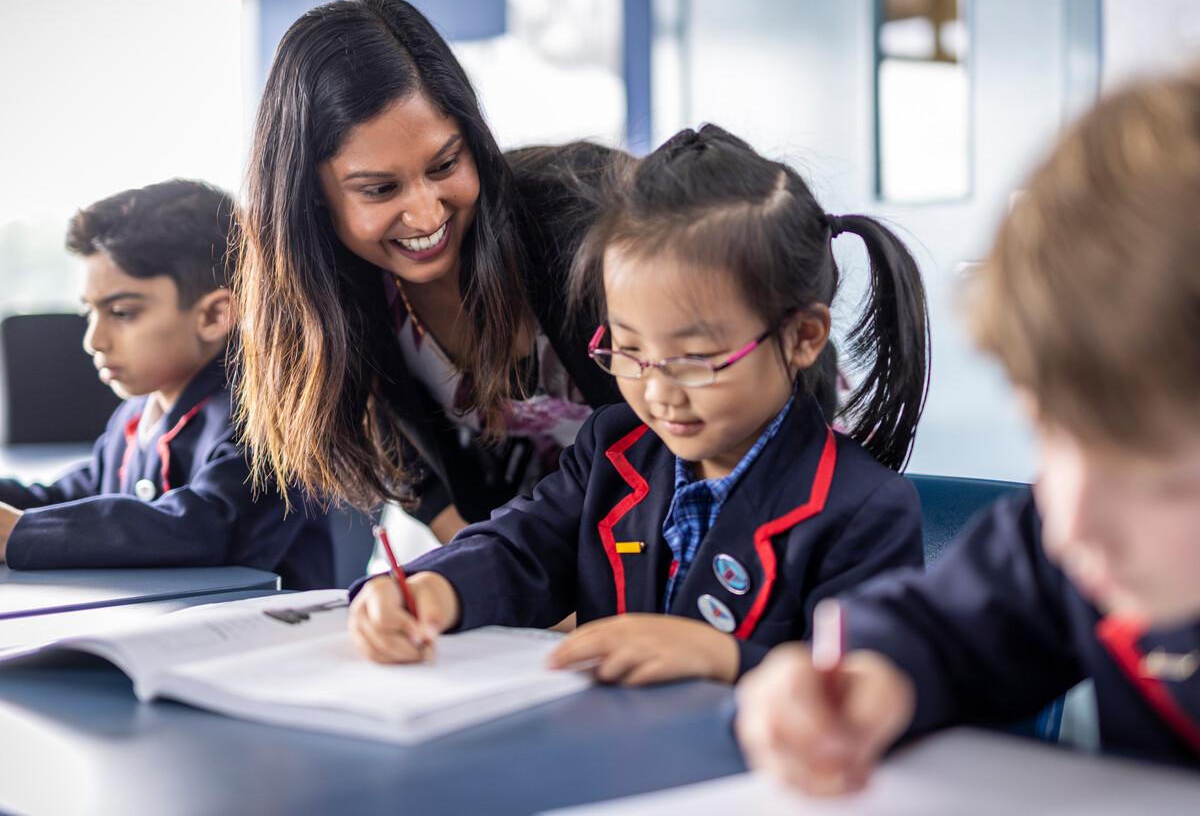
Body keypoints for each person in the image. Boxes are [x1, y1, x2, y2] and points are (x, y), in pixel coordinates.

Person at [736, 71, 1200, 788]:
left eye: (1159, 480)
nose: (1069, 524)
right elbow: (942, 628)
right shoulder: (1079, 551)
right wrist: (869, 679)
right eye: (1049, 433)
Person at [348, 124, 930, 685]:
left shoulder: (863, 511)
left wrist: (728, 661)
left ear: (803, 337)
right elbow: (520, 549)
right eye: (627, 350)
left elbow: (872, 685)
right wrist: (434, 589)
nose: (656, 390)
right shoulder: (613, 449)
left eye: (695, 358)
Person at [232, 0, 635, 545]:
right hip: (539, 577)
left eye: (445, 164)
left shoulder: (585, 223)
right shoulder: (337, 299)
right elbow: (422, 481)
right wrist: (485, 578)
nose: (425, 213)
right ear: (313, 196)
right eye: (379, 188)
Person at [0, 180, 333, 590]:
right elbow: (70, 498)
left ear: (214, 315)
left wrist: (19, 533)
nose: (93, 340)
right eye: (91, 313)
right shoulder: (137, 415)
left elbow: (208, 527)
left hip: (264, 640)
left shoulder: (267, 417)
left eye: (121, 313)